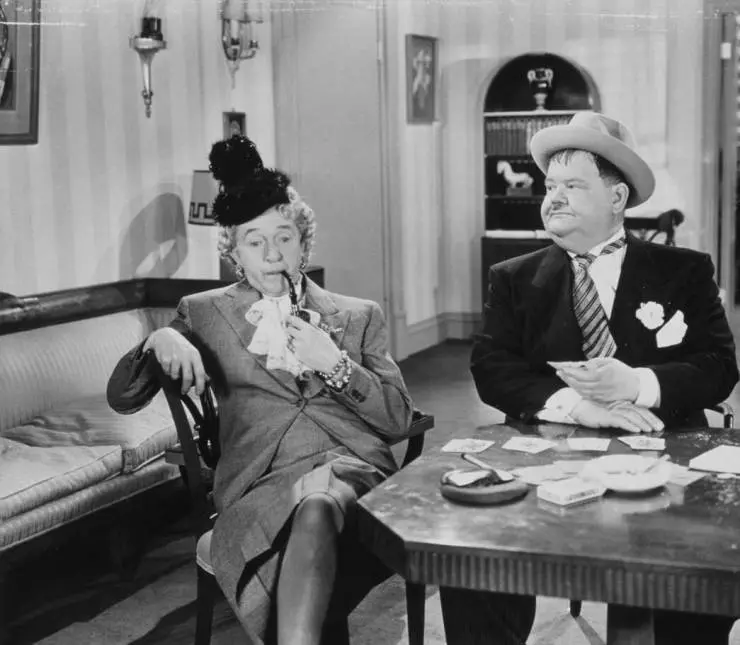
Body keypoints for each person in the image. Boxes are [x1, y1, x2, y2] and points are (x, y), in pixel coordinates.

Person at [107, 134, 414, 645]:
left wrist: (336, 365)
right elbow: (123, 396)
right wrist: (159, 339)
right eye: (255, 241)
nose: (273, 254)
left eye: (285, 238)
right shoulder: (204, 313)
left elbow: (400, 420)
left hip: (353, 470)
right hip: (259, 483)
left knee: (318, 502)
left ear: (304, 244)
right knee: (311, 520)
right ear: (234, 252)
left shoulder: (359, 315)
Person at [459, 111, 739, 644]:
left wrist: (635, 385)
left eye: (573, 185)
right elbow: (492, 369)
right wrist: (579, 406)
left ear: (617, 197)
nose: (554, 198)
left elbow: (719, 367)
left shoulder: (684, 270)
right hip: (550, 459)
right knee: (474, 564)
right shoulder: (513, 278)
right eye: (550, 186)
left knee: (695, 576)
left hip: (666, 455)